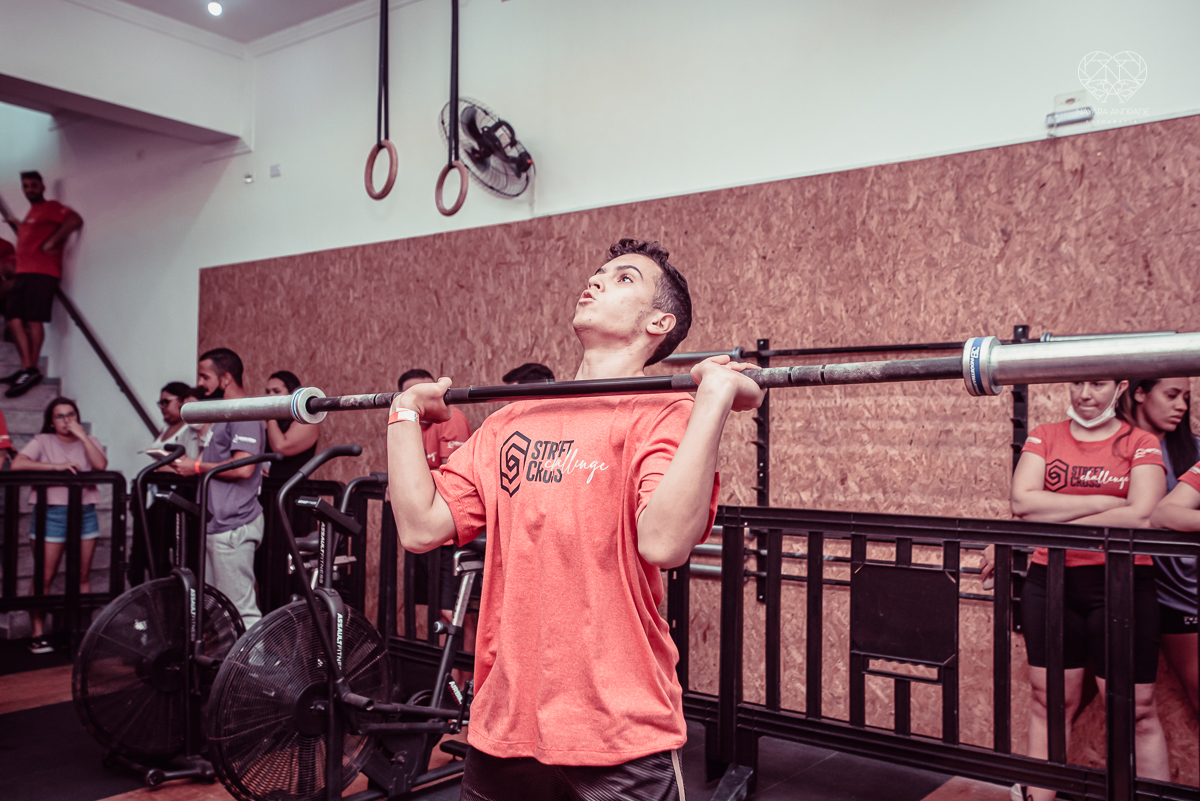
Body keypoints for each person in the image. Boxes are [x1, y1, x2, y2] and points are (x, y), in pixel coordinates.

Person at [387, 238, 762, 798]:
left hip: (619, 731)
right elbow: (420, 527)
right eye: (598, 273)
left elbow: (663, 542)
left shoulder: (661, 413)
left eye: (624, 278)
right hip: (503, 726)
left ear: (659, 323)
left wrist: (713, 399)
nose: (596, 280)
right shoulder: (514, 419)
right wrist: (404, 413)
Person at [982, 379, 1170, 801]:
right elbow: (1023, 503)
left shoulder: (1140, 442)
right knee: (1048, 703)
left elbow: (1144, 515)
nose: (1085, 394)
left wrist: (1053, 518)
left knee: (1137, 711)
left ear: (1120, 387)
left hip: (1122, 584)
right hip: (1050, 581)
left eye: (1098, 384)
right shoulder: (1045, 436)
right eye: (1077, 383)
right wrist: (1111, 504)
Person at [168, 348, 267, 629]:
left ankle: (255, 659)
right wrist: (188, 464)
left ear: (225, 378)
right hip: (216, 523)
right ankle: (229, 660)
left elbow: (244, 468)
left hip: (234, 524)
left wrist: (197, 467)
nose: (200, 383)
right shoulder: (223, 414)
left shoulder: (244, 413)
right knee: (219, 611)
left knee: (240, 611)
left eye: (205, 376)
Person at [1125, 378, 1200, 712]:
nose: (1181, 406)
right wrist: (1013, 540)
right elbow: (1069, 498)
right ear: (1139, 392)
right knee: (1067, 696)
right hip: (1118, 587)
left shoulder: (1193, 451)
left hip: (1181, 592)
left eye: (1186, 397)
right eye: (1171, 395)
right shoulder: (1112, 446)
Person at [12, 397, 107, 654]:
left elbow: (100, 465)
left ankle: (82, 632)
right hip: (51, 513)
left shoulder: (90, 440)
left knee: (83, 575)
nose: (66, 420)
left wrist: (82, 436)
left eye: (71, 415)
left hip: (85, 512)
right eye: (60, 416)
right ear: (52, 422)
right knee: (44, 576)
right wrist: (56, 467)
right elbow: (18, 463)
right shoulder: (43, 440)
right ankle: (37, 633)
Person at [399, 368, 475, 665]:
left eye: (425, 389)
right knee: (433, 612)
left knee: (453, 613)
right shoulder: (407, 424)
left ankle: (463, 684)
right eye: (412, 393)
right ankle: (445, 684)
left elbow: (449, 480)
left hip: (452, 535)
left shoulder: (451, 419)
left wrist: (413, 484)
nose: (422, 397)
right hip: (428, 537)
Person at [0, 172, 83, 398]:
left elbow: (75, 220)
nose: (30, 189)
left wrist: (53, 241)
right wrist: (18, 225)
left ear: (42, 187)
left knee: (33, 319)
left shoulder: (52, 207)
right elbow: (31, 238)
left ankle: (31, 369)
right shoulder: (32, 213)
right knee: (13, 319)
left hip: (42, 273)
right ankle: (27, 368)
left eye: (34, 185)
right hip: (23, 273)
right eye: (26, 186)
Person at [264, 370, 320, 482]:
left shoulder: (307, 422)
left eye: (276, 391)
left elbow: (280, 447)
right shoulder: (273, 422)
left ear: (291, 393)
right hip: (267, 487)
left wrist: (270, 415)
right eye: (267, 392)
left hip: (292, 488)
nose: (270, 396)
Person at [149, 381, 200, 460]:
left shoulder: (193, 427)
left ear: (182, 401)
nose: (162, 407)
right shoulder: (164, 429)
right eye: (161, 403)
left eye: (166, 402)